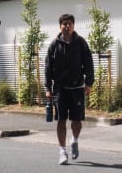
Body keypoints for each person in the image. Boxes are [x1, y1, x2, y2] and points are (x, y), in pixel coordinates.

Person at [44, 13, 94, 165]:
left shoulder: (81, 43)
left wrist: (89, 83)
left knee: (77, 121)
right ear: (60, 26)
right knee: (61, 120)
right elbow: (48, 67)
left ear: (73, 26)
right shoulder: (54, 45)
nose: (67, 26)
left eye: (70, 24)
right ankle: (62, 151)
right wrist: (48, 87)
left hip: (77, 88)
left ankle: (75, 140)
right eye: (64, 24)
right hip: (60, 89)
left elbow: (88, 63)